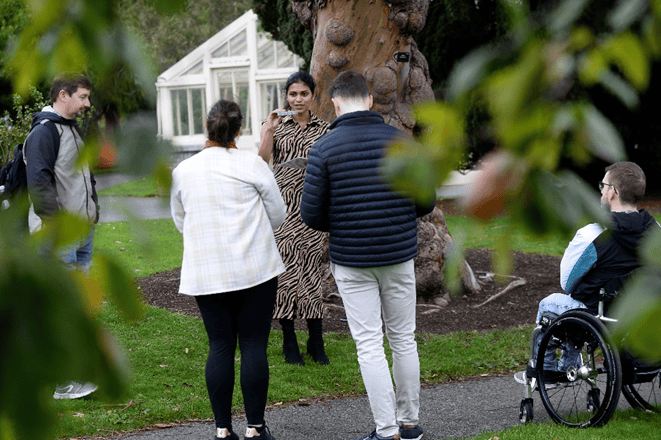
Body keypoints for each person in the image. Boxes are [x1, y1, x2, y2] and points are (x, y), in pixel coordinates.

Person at [300, 71, 433, 440]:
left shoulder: (324, 148)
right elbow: (426, 201)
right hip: (398, 253)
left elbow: (310, 214)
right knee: (404, 338)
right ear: (370, 100)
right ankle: (409, 424)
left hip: (352, 258)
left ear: (335, 103)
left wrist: (344, 220)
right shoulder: (403, 143)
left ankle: (387, 429)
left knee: (370, 343)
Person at [171, 100, 286, 440]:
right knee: (253, 345)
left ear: (207, 127)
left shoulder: (182, 171)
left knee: (219, 346)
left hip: (208, 272)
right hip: (255, 268)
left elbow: (181, 221)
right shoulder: (252, 165)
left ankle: (223, 430)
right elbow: (277, 215)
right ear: (239, 130)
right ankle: (255, 428)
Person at [533, 161, 659, 371]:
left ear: (612, 192)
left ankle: (548, 368)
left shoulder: (592, 234)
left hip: (598, 317)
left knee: (550, 303)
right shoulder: (656, 232)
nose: (601, 191)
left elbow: (567, 282)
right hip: (637, 314)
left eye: (603, 185)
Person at [23, 73, 100, 400]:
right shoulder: (44, 132)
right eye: (82, 97)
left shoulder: (71, 129)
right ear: (63, 95)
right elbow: (39, 184)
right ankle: (61, 382)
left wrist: (94, 210)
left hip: (82, 235)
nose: (87, 104)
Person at [258, 71, 331, 366]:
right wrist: (269, 131)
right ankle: (289, 340)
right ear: (286, 96)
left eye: (303, 94)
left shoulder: (325, 130)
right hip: (284, 210)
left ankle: (316, 340)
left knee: (313, 272)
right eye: (292, 94)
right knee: (286, 275)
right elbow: (262, 162)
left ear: (313, 95)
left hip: (314, 208)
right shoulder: (276, 126)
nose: (298, 99)